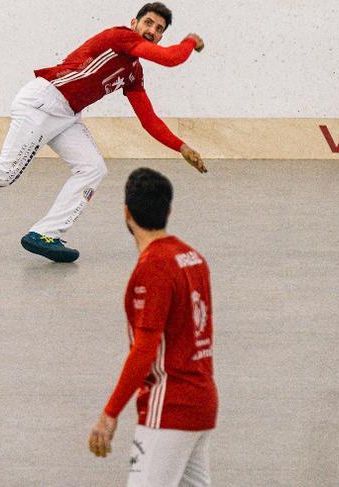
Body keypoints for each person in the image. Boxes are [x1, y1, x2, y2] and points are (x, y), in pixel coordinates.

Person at [0, 3, 208, 263]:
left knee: (92, 169)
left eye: (159, 29)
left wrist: (181, 147)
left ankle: (46, 233)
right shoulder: (121, 36)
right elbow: (171, 58)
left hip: (67, 115)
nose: (152, 30)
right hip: (43, 101)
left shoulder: (132, 71)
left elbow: (148, 118)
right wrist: (190, 41)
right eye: (148, 23)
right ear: (134, 23)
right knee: (6, 172)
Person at [88, 167, 217, 486]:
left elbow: (144, 348)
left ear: (126, 213)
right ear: (169, 210)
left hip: (169, 406)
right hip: (202, 402)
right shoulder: (193, 257)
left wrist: (110, 413)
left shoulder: (153, 268)